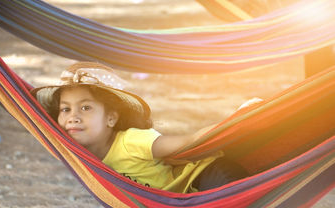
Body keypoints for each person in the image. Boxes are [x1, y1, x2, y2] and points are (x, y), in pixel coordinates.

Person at [31, 62, 254, 193]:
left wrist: (237, 121)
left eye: (86, 108)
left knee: (239, 202)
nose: (73, 117)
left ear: (111, 119)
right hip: (187, 198)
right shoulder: (78, 154)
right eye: (65, 109)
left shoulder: (131, 141)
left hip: (211, 177)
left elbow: (188, 142)